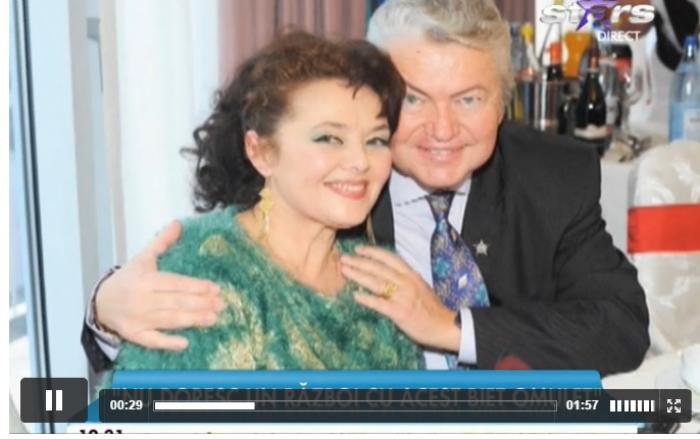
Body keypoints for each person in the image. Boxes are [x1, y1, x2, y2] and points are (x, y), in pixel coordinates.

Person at [83, 0, 649, 376]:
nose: (443, 130)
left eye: (469, 99)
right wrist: (105, 312)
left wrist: (450, 328)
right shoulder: (334, 183)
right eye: (415, 99)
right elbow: (220, 261)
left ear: (504, 102)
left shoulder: (551, 177)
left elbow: (621, 326)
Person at [100, 31, 424, 375]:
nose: (360, 162)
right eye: (329, 138)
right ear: (261, 152)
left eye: (376, 140)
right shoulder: (207, 269)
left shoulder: (379, 275)